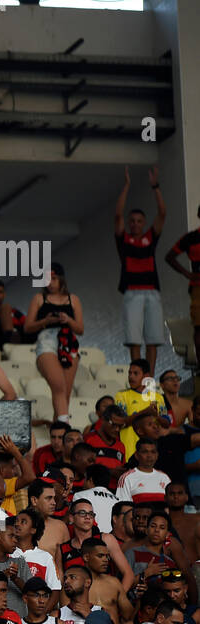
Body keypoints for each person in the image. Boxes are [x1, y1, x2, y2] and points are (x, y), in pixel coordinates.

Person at [114, 165, 167, 373]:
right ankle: (136, 373)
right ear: (129, 223)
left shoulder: (150, 238)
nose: (135, 224)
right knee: (134, 339)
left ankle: (149, 377)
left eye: (139, 221)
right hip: (132, 292)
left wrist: (155, 187)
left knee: (153, 338)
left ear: (144, 223)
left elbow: (163, 213)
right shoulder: (123, 240)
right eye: (132, 221)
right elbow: (117, 215)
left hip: (152, 292)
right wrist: (127, 187)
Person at [24, 265, 83, 423]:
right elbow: (27, 327)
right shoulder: (38, 298)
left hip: (68, 342)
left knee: (66, 393)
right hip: (47, 340)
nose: (50, 282)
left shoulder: (73, 299)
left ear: (61, 279)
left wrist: (68, 319)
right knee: (58, 385)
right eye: (47, 279)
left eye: (54, 278)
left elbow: (80, 329)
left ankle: (58, 430)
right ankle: (65, 427)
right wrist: (46, 321)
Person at [164, 203, 200, 362]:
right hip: (198, 287)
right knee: (199, 327)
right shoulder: (190, 238)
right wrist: (187, 273)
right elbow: (169, 256)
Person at [114, 360, 167, 461]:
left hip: (153, 453)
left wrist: (156, 416)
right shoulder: (121, 396)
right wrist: (145, 412)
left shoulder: (158, 397)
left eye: (135, 373)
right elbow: (121, 423)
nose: (131, 377)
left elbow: (167, 424)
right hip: (129, 452)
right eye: (129, 373)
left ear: (146, 376)